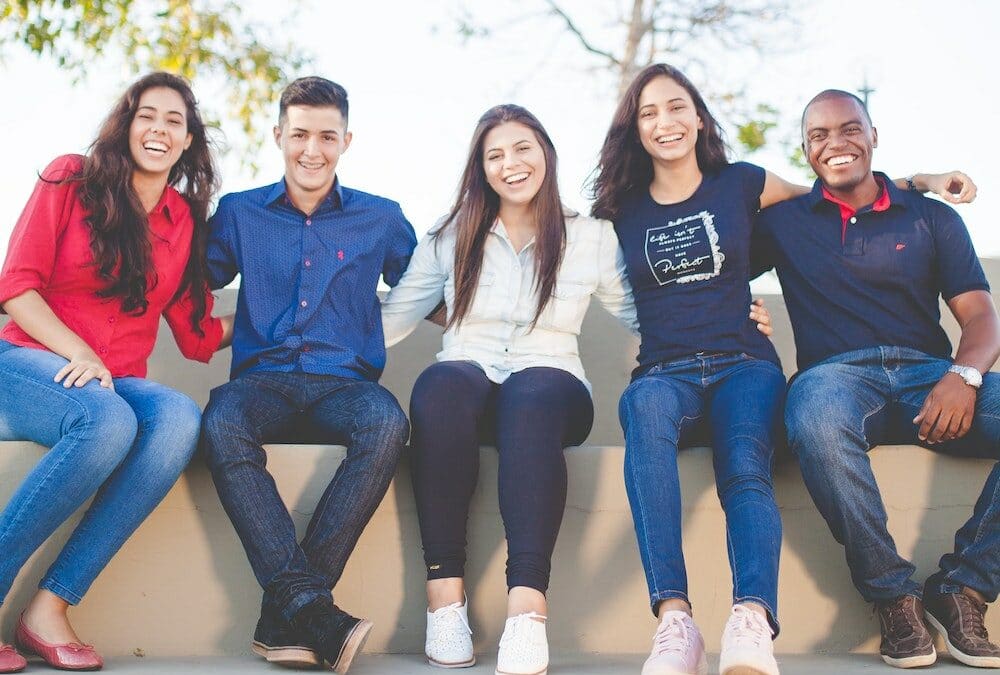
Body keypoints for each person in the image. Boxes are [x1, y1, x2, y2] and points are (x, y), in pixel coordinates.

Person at [591, 63, 972, 675]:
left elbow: (836, 193)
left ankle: (751, 620)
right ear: (633, 129)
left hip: (745, 363)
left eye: (677, 106)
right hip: (663, 371)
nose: (666, 121)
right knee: (643, 414)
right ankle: (674, 621)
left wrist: (919, 180)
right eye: (649, 112)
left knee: (744, 464)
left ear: (698, 116)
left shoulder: (743, 183)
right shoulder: (619, 209)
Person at [380, 103, 688, 675]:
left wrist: (724, 320)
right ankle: (445, 602)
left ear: (545, 152)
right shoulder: (450, 238)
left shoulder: (591, 237)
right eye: (494, 155)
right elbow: (391, 321)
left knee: (531, 394)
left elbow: (645, 314)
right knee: (440, 386)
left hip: (553, 384)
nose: (510, 163)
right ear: (481, 169)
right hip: (467, 378)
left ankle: (527, 610)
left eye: (522, 148)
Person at [755, 89, 1000, 670]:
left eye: (849, 129)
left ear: (872, 135)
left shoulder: (931, 216)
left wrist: (964, 376)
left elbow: (981, 316)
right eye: (819, 135)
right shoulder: (782, 224)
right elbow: (712, 242)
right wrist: (740, 310)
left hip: (931, 379)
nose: (835, 143)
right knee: (812, 417)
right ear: (806, 150)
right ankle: (894, 598)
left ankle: (963, 587)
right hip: (834, 380)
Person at [0, 72, 230, 673]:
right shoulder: (69, 177)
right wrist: (78, 351)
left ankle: (48, 608)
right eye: (146, 115)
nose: (158, 129)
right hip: (27, 357)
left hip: (113, 379)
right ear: (127, 125)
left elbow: (197, 333)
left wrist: (291, 316)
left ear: (187, 141)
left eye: (174, 121)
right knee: (106, 423)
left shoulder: (183, 221)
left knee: (179, 418)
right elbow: (16, 289)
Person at [199, 76, 416, 674]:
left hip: (346, 385)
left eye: (327, 136)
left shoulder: (382, 217)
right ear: (278, 136)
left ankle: (290, 613)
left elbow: (435, 286)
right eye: (299, 135)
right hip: (260, 383)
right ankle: (315, 612)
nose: (312, 150)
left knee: (387, 423)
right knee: (220, 422)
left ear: (347, 139)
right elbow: (188, 279)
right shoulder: (240, 212)